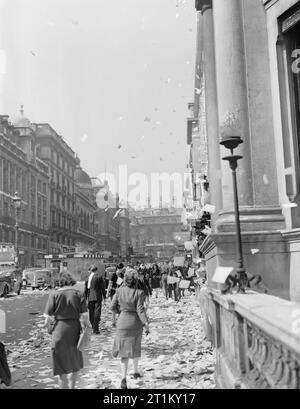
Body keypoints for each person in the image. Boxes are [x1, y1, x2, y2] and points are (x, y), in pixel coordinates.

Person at [43, 273, 89, 389]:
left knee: (61, 368)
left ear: (58, 282)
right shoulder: (79, 294)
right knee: (74, 364)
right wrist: (88, 330)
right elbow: (85, 319)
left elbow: (46, 321)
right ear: (71, 281)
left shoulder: (54, 294)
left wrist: (50, 329)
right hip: (74, 331)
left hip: (59, 331)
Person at [111, 268, 149, 389]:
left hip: (122, 322)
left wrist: (121, 312)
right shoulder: (139, 293)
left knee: (123, 352)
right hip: (135, 323)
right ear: (135, 280)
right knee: (135, 347)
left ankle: (123, 379)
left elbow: (112, 307)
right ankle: (136, 371)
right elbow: (140, 310)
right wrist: (146, 323)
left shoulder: (118, 291)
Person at [84, 265, 106, 334]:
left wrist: (85, 298)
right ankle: (96, 329)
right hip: (97, 296)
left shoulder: (88, 278)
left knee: (91, 313)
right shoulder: (99, 277)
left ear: (91, 270)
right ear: (96, 270)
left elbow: (86, 290)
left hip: (90, 297)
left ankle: (92, 327)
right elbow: (102, 288)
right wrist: (104, 297)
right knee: (97, 313)